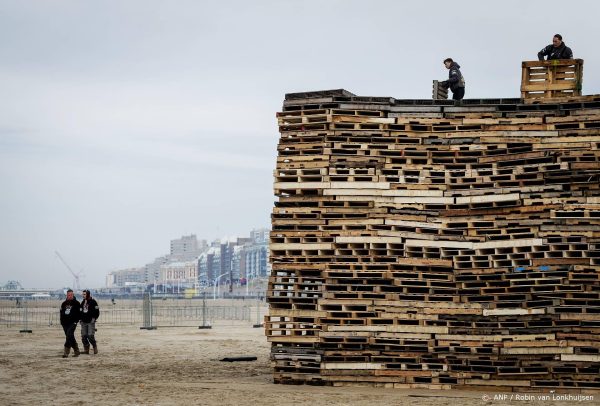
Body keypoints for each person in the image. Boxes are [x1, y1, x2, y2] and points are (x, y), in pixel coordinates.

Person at [60, 289, 81, 358]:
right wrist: (61, 322)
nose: (70, 296)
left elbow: (79, 313)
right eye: (68, 295)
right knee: (69, 336)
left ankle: (66, 352)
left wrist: (76, 321)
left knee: (69, 334)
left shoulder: (77, 303)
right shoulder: (64, 303)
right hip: (64, 323)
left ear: (73, 295)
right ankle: (76, 350)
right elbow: (61, 313)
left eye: (71, 295)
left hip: (73, 323)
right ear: (67, 295)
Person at [80, 289, 100, 354]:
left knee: (90, 336)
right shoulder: (82, 302)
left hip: (90, 322)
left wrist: (94, 318)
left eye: (84, 294)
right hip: (83, 322)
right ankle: (86, 350)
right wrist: (80, 319)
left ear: (88, 294)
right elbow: (80, 311)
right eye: (82, 294)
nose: (83, 295)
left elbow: (97, 312)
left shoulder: (93, 302)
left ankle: (95, 347)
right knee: (83, 337)